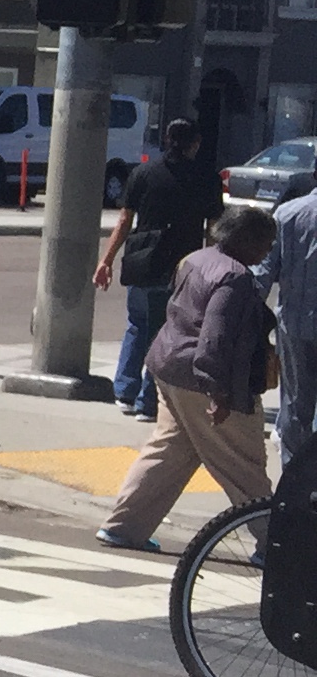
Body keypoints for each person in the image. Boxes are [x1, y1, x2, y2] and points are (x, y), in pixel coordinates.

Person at [99, 204, 277, 551]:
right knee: (244, 466)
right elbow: (214, 338)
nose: (269, 250)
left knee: (169, 450)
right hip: (205, 380)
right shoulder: (235, 278)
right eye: (266, 243)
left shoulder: (196, 259)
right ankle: (277, 549)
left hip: (168, 367)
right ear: (247, 242)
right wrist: (219, 395)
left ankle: (124, 527)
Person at [95, 116, 221, 420]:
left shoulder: (143, 173)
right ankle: (148, 402)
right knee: (167, 331)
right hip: (182, 264)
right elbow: (213, 229)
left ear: (166, 139)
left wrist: (106, 261)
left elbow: (124, 220)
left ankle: (124, 390)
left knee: (138, 324)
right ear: (195, 143)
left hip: (143, 260)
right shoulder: (206, 178)